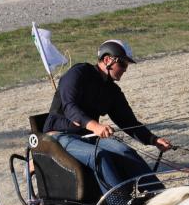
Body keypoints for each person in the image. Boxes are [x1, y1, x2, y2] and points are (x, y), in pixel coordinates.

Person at [43, 39, 172, 195]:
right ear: (107, 60)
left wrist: (153, 139)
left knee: (125, 151)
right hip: (59, 137)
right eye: (123, 64)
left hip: (87, 136)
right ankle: (120, 204)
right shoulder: (78, 73)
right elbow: (70, 108)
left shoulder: (112, 91)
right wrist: (96, 126)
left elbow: (128, 121)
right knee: (99, 156)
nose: (125, 70)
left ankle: (160, 195)